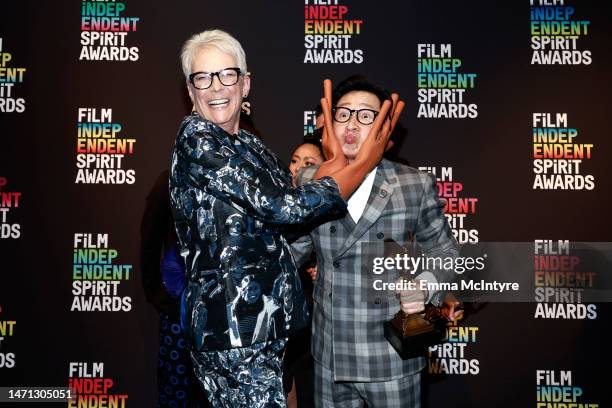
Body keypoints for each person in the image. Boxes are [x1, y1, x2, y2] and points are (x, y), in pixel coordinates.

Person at [169, 31, 400, 408]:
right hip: (234, 333)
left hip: (272, 327)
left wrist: (337, 163)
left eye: (227, 75)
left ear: (245, 84)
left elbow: (292, 208)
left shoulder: (247, 143)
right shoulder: (197, 137)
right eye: (202, 77)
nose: (216, 87)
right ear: (191, 90)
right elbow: (282, 207)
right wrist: (360, 166)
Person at [291, 76, 460, 408]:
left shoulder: (412, 184)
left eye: (366, 115)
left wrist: (425, 285)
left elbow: (446, 251)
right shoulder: (310, 181)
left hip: (391, 356)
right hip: (330, 355)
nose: (352, 123)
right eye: (344, 114)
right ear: (328, 122)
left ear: (383, 128)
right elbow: (292, 252)